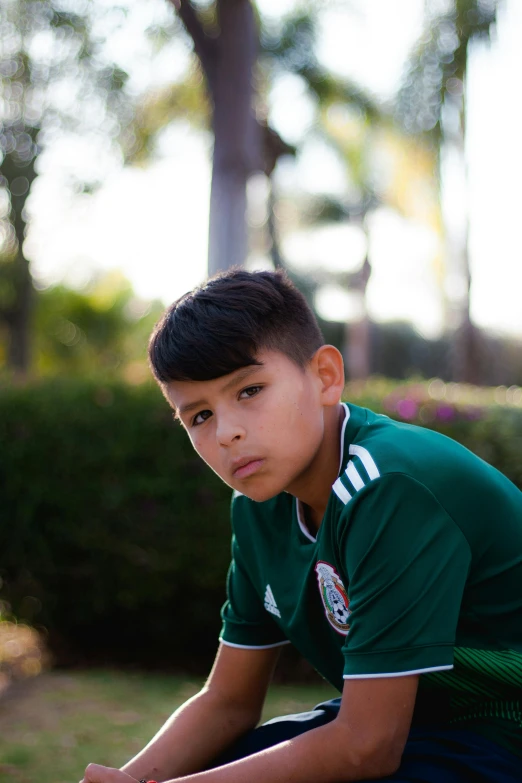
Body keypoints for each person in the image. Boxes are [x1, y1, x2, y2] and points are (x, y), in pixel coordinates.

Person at [81, 269, 522, 783]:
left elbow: (367, 746)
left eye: (249, 390)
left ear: (325, 377)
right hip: (429, 728)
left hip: (502, 728)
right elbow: (227, 701)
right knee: (230, 760)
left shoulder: (389, 484)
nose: (228, 432)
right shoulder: (259, 508)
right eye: (199, 416)